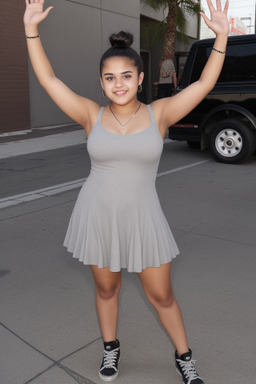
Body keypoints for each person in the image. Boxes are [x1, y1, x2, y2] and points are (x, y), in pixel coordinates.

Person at [23, 1, 229, 383]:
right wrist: (31, 31)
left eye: (126, 76)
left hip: (143, 217)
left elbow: (204, 84)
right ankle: (110, 348)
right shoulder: (90, 114)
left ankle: (184, 357)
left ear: (139, 78)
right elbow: (50, 80)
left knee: (162, 295)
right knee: (106, 288)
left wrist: (220, 38)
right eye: (110, 77)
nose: (118, 83)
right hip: (97, 214)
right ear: (101, 82)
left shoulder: (160, 113)